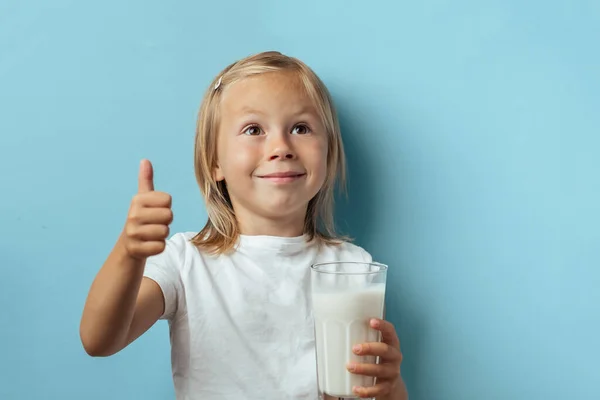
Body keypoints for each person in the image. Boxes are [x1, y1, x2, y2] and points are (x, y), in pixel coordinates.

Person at [79, 51, 408, 400]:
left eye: (301, 128)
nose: (281, 147)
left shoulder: (354, 269)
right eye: (254, 129)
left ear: (328, 154)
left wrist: (391, 388)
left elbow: (368, 389)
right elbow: (99, 340)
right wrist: (129, 253)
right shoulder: (185, 262)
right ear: (214, 163)